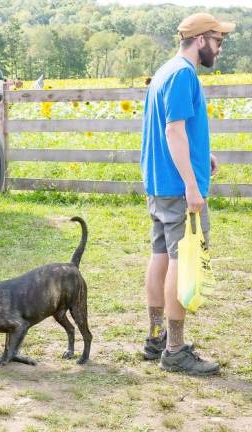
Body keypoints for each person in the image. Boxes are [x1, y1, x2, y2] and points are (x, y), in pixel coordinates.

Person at [140, 12, 234, 376]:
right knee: (184, 261)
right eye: (218, 41)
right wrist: (193, 186)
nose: (220, 49)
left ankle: (155, 338)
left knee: (160, 254)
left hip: (159, 184)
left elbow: (175, 129)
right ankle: (175, 349)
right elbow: (173, 131)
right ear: (200, 40)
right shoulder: (183, 75)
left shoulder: (165, 72)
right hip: (179, 190)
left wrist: (201, 154)